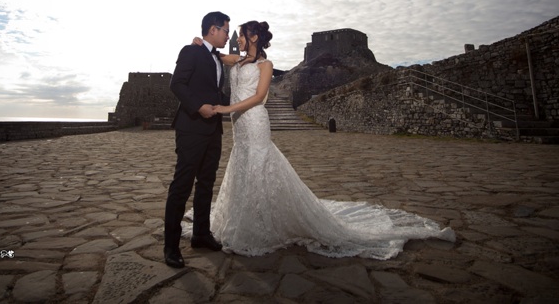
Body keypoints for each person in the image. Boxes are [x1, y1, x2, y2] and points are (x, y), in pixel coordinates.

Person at [188, 20, 455, 260]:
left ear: (254, 37)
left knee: (259, 166)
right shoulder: (237, 60)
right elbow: (215, 54)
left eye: (243, 35)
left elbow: (259, 98)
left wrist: (224, 109)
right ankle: (244, 220)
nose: (239, 38)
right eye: (237, 36)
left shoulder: (265, 65)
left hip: (255, 121)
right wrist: (199, 44)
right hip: (240, 127)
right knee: (244, 167)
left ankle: (262, 225)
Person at [163, 11, 231, 268]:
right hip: (191, 128)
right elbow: (177, 84)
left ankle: (201, 234)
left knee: (206, 183)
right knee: (181, 186)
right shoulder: (191, 51)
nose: (227, 34)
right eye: (225, 30)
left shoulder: (218, 59)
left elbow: (215, 92)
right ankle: (170, 247)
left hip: (214, 130)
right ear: (213, 29)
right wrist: (198, 106)